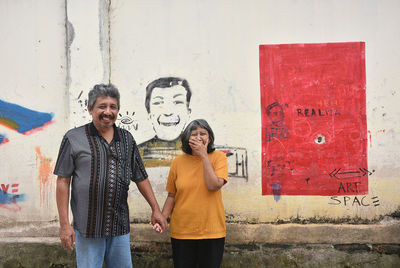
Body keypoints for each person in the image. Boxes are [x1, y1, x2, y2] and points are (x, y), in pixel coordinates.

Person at [54, 83, 167, 268]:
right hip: (88, 227)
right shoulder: (73, 138)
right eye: (102, 106)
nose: (108, 111)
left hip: (119, 225)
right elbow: (63, 182)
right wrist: (65, 225)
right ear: (90, 109)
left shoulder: (126, 139)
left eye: (112, 107)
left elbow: (140, 176)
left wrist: (155, 209)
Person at [160, 119, 228, 268]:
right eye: (194, 134)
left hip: (212, 231)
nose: (199, 137)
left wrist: (203, 155)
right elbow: (172, 195)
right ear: (186, 139)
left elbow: (213, 185)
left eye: (203, 133)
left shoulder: (219, 158)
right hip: (182, 231)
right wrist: (162, 218)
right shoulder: (178, 162)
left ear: (209, 138)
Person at [138, 77, 192, 167]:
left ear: (188, 113)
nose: (168, 112)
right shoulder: (136, 154)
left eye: (177, 102)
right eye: (158, 102)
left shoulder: (201, 151)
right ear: (149, 114)